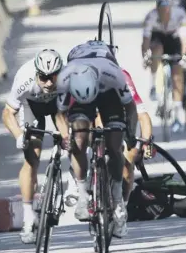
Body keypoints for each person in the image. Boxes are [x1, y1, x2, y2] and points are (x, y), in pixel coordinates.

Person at [54, 40, 138, 238]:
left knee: (115, 144)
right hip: (80, 90)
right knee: (79, 139)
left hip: (108, 92)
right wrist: (67, 136)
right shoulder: (65, 78)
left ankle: (117, 199)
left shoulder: (114, 75)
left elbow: (131, 108)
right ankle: (83, 194)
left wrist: (131, 133)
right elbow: (59, 114)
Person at [64, 68, 154, 210]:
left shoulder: (123, 79)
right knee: (83, 137)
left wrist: (146, 142)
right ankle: (79, 174)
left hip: (120, 117)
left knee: (127, 159)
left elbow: (142, 116)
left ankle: (122, 207)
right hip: (94, 112)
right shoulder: (82, 79)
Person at [1, 49, 64, 243]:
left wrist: (69, 137)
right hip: (31, 107)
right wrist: (19, 136)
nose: (48, 83)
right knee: (32, 160)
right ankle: (29, 216)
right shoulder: (24, 79)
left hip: (57, 105)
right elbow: (7, 114)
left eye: (53, 77)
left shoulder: (66, 79)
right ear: (37, 74)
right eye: (43, 78)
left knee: (71, 138)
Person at [142, 0, 186, 133]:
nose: (163, 9)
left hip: (174, 39)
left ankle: (177, 113)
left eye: (166, 6)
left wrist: (183, 55)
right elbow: (146, 40)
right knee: (156, 49)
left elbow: (184, 37)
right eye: (160, 5)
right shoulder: (151, 16)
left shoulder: (180, 14)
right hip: (158, 39)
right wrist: (145, 55)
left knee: (177, 74)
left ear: (171, 5)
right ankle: (154, 86)